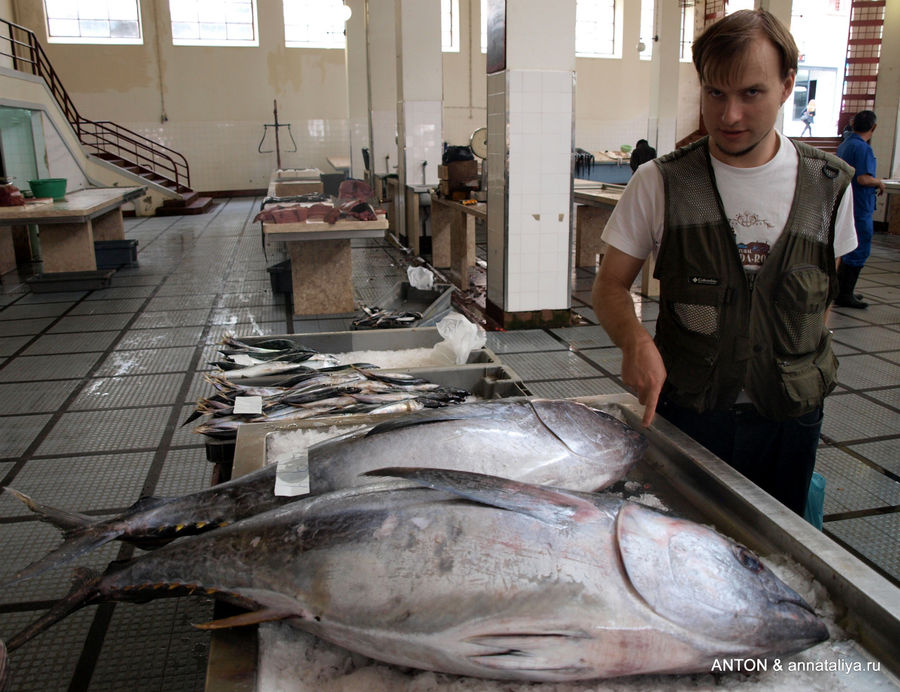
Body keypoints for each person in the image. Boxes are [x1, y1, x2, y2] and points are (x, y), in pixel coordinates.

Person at [591, 9, 857, 516]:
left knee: (780, 547)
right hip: (692, 411)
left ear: (786, 87)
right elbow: (609, 286)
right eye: (715, 93)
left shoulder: (829, 187)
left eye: (751, 93)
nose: (729, 115)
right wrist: (635, 342)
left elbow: (823, 299)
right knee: (685, 545)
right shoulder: (660, 182)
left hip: (790, 419)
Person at [834, 110, 886, 309]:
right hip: (860, 206)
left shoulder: (846, 145)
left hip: (847, 203)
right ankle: (845, 293)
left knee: (845, 247)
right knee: (859, 248)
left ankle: (841, 290)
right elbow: (863, 178)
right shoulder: (862, 148)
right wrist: (878, 182)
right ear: (873, 128)